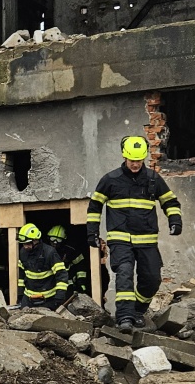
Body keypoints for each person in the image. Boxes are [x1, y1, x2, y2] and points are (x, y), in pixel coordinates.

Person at [87, 136, 182, 330]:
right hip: (120, 239)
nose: (136, 164)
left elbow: (170, 201)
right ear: (124, 157)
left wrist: (175, 220)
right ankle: (124, 318)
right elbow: (94, 206)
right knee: (124, 274)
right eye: (132, 160)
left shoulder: (153, 179)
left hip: (147, 240)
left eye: (139, 160)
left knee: (152, 279)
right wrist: (92, 232)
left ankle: (138, 311)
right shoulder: (110, 180)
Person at [14, 223, 70, 310]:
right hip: (28, 299)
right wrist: (20, 293)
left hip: (48, 299)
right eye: (23, 244)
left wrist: (60, 296)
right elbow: (22, 274)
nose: (25, 247)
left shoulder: (50, 253)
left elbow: (61, 275)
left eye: (28, 243)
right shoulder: (23, 252)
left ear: (36, 240)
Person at [45, 224, 89, 300]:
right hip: (48, 286)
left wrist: (81, 283)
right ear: (48, 238)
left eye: (59, 240)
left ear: (64, 240)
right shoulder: (43, 251)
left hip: (67, 285)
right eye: (53, 239)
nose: (55, 242)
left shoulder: (71, 252)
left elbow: (81, 265)